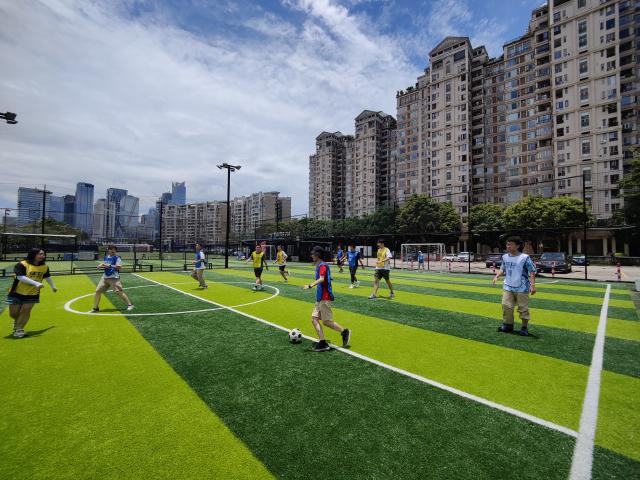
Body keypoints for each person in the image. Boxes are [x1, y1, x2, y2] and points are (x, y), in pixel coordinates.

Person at [303, 246, 351, 352]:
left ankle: (344, 332)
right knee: (314, 318)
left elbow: (321, 279)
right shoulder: (320, 265)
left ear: (317, 255)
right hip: (320, 297)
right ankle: (322, 342)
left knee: (326, 322)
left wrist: (310, 285)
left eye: (313, 254)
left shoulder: (322, 265)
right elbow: (325, 278)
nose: (311, 255)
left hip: (325, 297)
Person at [6, 248, 57, 338]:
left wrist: (53, 286)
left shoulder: (44, 267)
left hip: (33, 293)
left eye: (43, 254)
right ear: (33, 254)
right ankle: (17, 321)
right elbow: (20, 277)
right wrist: (35, 283)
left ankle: (19, 330)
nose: (43, 256)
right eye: (40, 254)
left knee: (26, 310)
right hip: (16, 292)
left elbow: (47, 276)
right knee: (13, 314)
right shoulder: (22, 264)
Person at [492, 236, 537, 336]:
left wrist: (533, 285)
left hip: (522, 287)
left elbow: (532, 271)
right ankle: (508, 325)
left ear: (517, 246)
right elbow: (503, 268)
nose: (508, 246)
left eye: (510, 244)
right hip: (508, 286)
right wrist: (496, 276)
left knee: (523, 308)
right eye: (507, 244)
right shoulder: (505, 257)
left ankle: (524, 328)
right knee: (506, 306)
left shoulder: (525, 257)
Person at [91, 245, 134, 312]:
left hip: (114, 277)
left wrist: (110, 265)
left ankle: (130, 305)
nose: (113, 250)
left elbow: (119, 267)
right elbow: (105, 264)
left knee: (118, 291)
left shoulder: (117, 258)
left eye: (114, 249)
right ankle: (95, 308)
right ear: (108, 250)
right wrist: (101, 265)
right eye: (111, 249)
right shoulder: (106, 257)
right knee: (98, 291)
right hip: (105, 277)